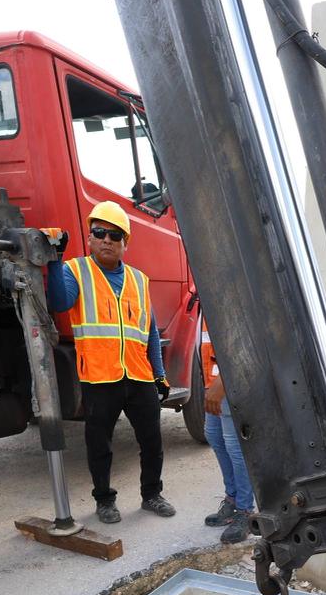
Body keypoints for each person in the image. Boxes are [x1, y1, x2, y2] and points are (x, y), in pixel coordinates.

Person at [45, 201, 175, 525]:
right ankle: (104, 500)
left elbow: (150, 332)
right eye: (100, 232)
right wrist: (54, 260)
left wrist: (159, 375)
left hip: (139, 376)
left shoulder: (139, 280)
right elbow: (59, 303)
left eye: (115, 235)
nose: (106, 239)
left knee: (152, 442)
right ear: (89, 238)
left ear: (125, 243)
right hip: (100, 378)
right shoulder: (76, 271)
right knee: (99, 445)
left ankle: (152, 494)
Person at [200, 320, 254, 543]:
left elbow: (245, 340)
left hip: (231, 383)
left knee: (235, 446)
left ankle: (245, 510)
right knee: (214, 436)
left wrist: (223, 380)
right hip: (212, 381)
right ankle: (232, 499)